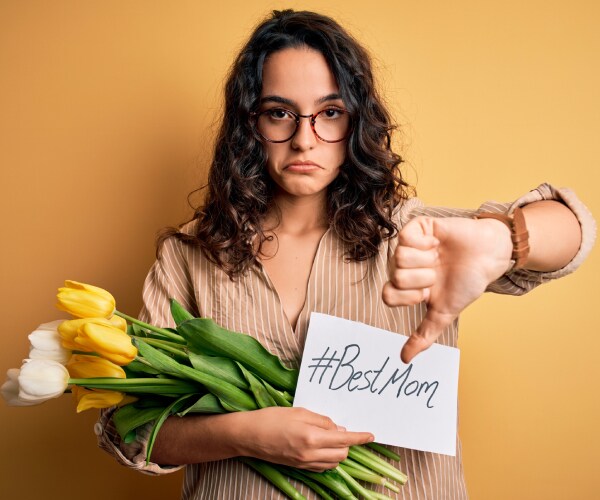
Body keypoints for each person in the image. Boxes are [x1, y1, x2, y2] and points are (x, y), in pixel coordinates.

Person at [97, 9, 595, 499]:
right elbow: (132, 427)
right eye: (279, 113)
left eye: (330, 113)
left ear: (356, 123)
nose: (304, 139)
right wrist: (246, 434)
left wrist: (501, 241)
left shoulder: (414, 235)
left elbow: (573, 232)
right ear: (249, 124)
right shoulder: (189, 254)